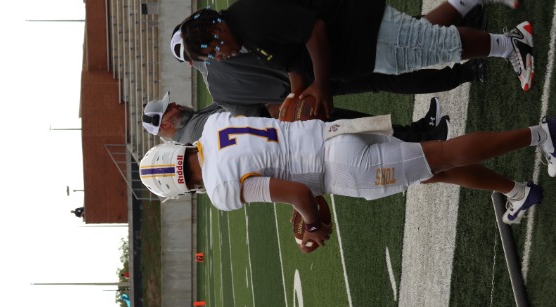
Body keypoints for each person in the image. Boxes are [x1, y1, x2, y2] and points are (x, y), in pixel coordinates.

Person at [139, 113, 556, 251]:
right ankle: (517, 191)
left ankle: (540, 134)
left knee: (440, 156)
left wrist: (312, 224)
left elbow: (298, 192)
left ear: (181, 187)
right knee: (433, 171)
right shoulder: (214, 125)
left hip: (343, 169)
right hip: (332, 133)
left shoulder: (220, 188)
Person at [179, 0, 532, 117]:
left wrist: (321, 85)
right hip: (361, 48)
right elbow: (292, 58)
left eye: (213, 53)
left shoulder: (251, 20)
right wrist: (297, 94)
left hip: (361, 31)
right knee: (428, 39)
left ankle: (511, 44)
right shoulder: (245, 34)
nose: (219, 58)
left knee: (440, 45)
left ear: (216, 32)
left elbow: (314, 30)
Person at [143, 92, 450, 145]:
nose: (175, 104)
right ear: (164, 124)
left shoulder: (192, 123)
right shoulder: (194, 130)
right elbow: (246, 115)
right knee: (360, 130)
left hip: (289, 124)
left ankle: (419, 133)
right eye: (169, 108)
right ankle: (424, 138)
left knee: (361, 126)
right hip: (291, 127)